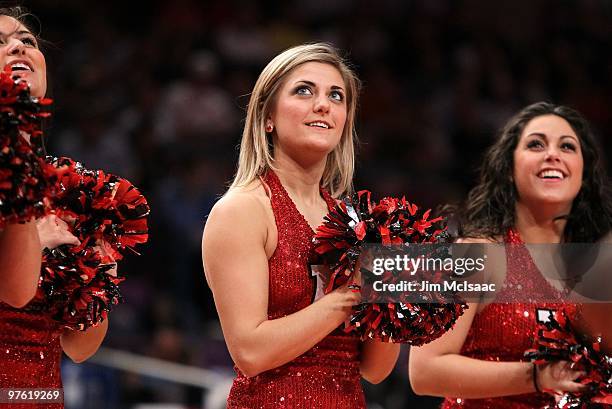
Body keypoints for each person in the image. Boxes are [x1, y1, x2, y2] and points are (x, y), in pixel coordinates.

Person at [202, 43, 400, 408]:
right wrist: (353, 294)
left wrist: (395, 294)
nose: (323, 104)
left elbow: (374, 368)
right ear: (267, 118)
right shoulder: (243, 210)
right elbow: (250, 351)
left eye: (336, 96)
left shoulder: (354, 222)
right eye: (304, 90)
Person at [409, 102, 612, 408]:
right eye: (536, 144)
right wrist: (535, 377)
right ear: (508, 169)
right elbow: (423, 371)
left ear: (583, 174)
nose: (552, 154)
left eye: (567, 146)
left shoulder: (597, 269)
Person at [0, 7, 111, 406]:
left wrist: (98, 267)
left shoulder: (69, 190)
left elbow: (81, 346)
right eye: (0, 42)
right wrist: (34, 237)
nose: (18, 46)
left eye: (27, 40)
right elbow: (15, 292)